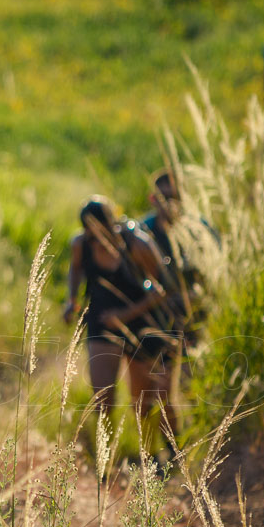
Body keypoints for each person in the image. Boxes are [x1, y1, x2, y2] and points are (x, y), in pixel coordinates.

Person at [63, 196, 179, 450]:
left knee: (143, 401)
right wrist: (71, 299)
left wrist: (125, 315)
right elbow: (76, 269)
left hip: (140, 324)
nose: (96, 237)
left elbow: (161, 291)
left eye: (100, 229)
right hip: (101, 322)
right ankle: (104, 457)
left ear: (111, 223)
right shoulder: (81, 245)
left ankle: (157, 453)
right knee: (102, 397)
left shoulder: (137, 245)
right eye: (90, 231)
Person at [141, 168, 215, 350]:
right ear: (153, 199)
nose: (170, 204)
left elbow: (214, 269)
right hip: (153, 313)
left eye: (175, 197)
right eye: (164, 198)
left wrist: (196, 295)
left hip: (194, 311)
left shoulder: (199, 229)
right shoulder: (142, 232)